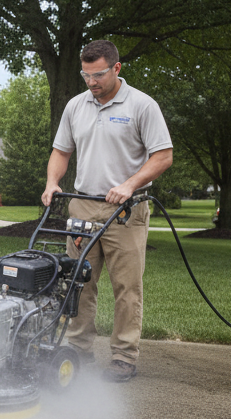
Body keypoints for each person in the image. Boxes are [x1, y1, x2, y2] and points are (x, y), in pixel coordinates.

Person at [41, 40, 173, 382]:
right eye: (85, 75)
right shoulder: (75, 106)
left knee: (126, 287)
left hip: (126, 209)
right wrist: (52, 182)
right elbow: (60, 151)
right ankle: (78, 352)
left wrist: (130, 185)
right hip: (82, 203)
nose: (91, 81)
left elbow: (163, 156)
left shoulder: (142, 105)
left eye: (98, 74)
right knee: (77, 283)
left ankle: (123, 356)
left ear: (116, 68)